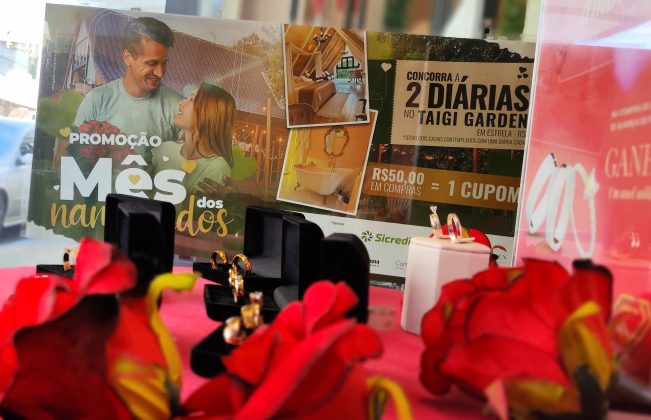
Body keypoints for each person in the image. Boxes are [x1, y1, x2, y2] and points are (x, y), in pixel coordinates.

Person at [59, 17, 183, 170]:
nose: (160, 72)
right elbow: (70, 159)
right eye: (151, 63)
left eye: (164, 63)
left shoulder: (179, 106)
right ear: (127, 57)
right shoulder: (97, 99)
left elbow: (195, 164)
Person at [152, 83, 236, 199]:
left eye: (191, 99)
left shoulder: (217, 167)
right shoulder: (164, 148)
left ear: (207, 113)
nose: (181, 102)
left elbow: (194, 209)